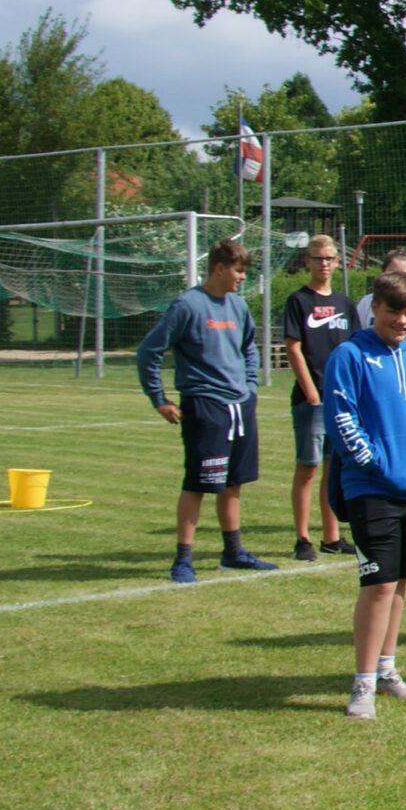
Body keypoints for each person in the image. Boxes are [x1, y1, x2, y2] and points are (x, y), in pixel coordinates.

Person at [321, 272, 406, 719]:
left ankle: (387, 668)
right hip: (372, 489)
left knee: (399, 584)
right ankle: (362, 685)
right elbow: (341, 419)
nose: (402, 320)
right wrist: (376, 463)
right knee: (377, 585)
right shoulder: (348, 355)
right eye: (393, 311)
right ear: (373, 308)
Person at [136, 236, 278, 581]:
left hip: (240, 405)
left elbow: (248, 348)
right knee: (199, 483)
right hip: (204, 406)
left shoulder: (238, 307)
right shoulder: (187, 305)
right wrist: (160, 399)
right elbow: (148, 351)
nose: (242, 278)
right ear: (219, 268)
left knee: (233, 483)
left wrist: (249, 385)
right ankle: (182, 559)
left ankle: (233, 553)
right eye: (238, 270)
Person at [278, 234, 355, 562]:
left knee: (331, 469)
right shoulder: (299, 301)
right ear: (306, 261)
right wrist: (310, 391)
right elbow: (292, 346)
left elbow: (354, 351)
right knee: (307, 467)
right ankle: (302, 538)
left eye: (330, 258)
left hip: (340, 401)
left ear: (338, 262)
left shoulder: (345, 304)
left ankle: (331, 536)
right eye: (317, 258)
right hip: (312, 401)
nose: (324, 264)